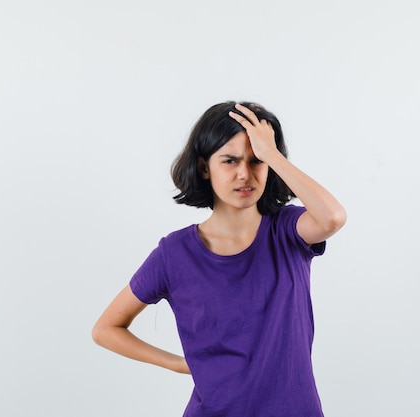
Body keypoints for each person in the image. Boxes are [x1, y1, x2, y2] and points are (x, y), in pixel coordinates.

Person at [92, 101, 347, 417]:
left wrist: (273, 154)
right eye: (230, 160)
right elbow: (106, 329)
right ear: (204, 167)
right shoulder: (174, 254)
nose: (245, 174)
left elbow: (333, 218)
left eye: (257, 160)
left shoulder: (288, 231)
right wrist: (179, 365)